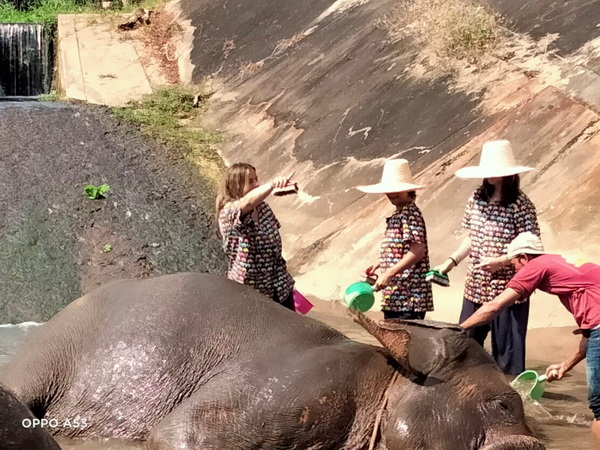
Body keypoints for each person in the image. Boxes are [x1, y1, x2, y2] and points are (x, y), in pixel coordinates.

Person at [460, 231, 600, 443]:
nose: (514, 271)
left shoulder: (536, 265)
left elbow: (495, 305)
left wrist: (459, 329)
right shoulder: (562, 266)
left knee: (599, 404)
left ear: (523, 257)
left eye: (514, 264)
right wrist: (565, 366)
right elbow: (591, 334)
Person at [434, 139, 540, 375]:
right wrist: (450, 263)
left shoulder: (521, 205)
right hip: (476, 287)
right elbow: (473, 237)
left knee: (508, 358)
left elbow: (531, 250)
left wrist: (501, 261)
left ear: (507, 175)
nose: (489, 176)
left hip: (508, 292)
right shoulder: (476, 198)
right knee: (464, 346)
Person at [357, 159, 433, 320]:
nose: (392, 194)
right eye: (389, 190)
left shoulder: (410, 214)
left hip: (408, 297)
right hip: (396, 295)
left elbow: (418, 251)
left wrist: (389, 273)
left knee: (404, 342)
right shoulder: (399, 213)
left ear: (409, 190)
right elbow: (402, 248)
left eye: (397, 190)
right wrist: (380, 264)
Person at [216, 162, 296, 310]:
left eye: (256, 179)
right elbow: (246, 203)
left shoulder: (263, 208)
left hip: (279, 285)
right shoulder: (228, 213)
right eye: (251, 181)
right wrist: (272, 184)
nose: (257, 184)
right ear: (236, 186)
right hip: (252, 292)